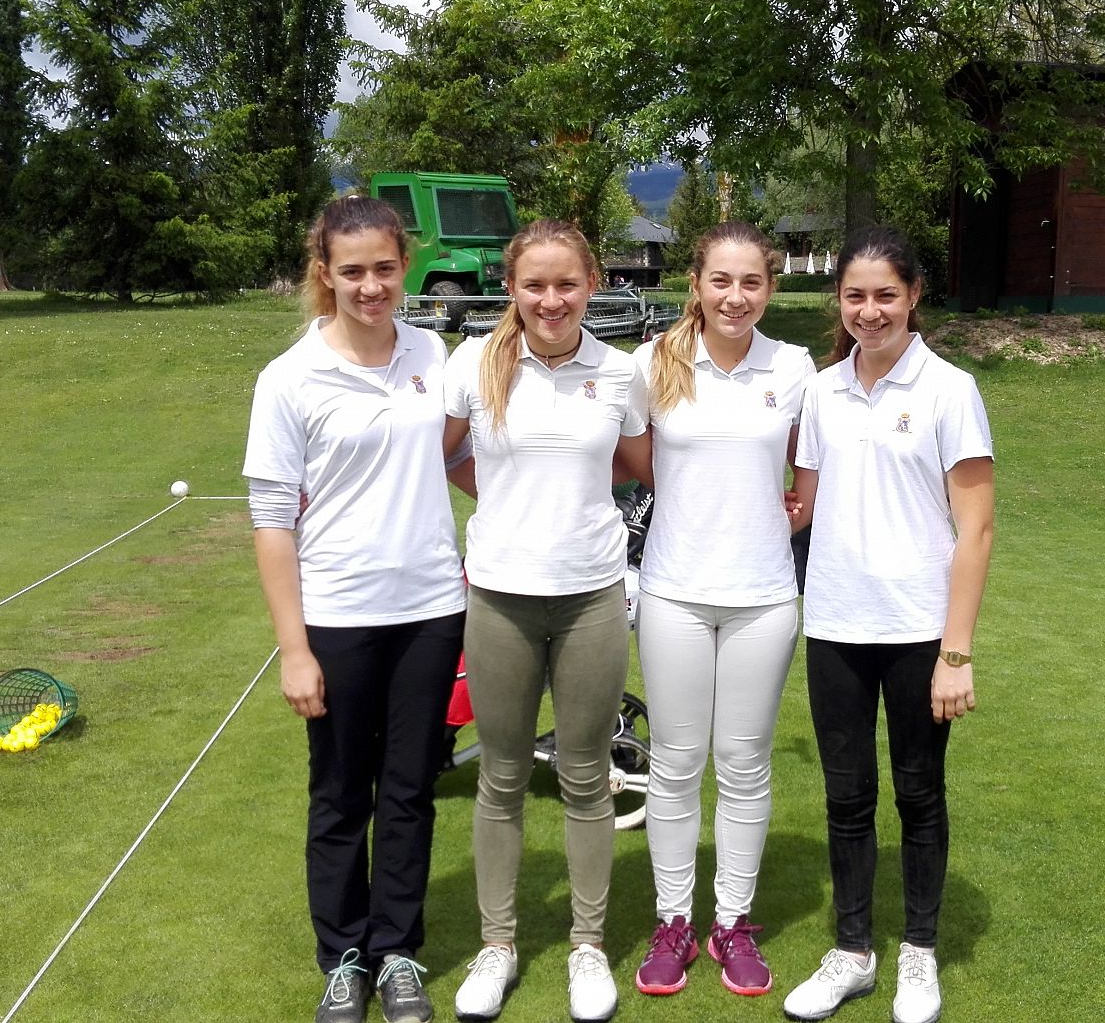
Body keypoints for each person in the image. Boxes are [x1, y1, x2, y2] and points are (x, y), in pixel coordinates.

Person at [243, 196, 468, 1023]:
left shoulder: (432, 350)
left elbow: (458, 459)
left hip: (432, 609)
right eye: (352, 271)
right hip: (336, 614)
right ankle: (343, 955)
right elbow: (272, 519)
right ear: (324, 274)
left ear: (402, 264)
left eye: (383, 268)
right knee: (341, 791)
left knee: (409, 788)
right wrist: (292, 647)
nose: (370, 286)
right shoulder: (289, 378)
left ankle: (398, 950)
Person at [780, 226, 995, 1023]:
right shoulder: (820, 389)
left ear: (914, 298)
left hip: (916, 630)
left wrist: (956, 651)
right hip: (834, 621)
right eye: (855, 295)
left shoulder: (949, 389)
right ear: (840, 300)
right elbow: (801, 504)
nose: (870, 311)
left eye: (885, 295)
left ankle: (919, 953)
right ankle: (852, 950)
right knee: (846, 794)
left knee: (917, 790)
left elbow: (974, 528)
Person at [441, 219, 651, 1023]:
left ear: (591, 284)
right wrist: (501, 505)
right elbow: (444, 452)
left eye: (567, 284)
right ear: (512, 287)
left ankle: (588, 946)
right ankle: (498, 946)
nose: (551, 299)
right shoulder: (476, 362)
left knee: (585, 774)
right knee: (499, 777)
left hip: (593, 594)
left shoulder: (621, 370)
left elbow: (642, 466)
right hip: (498, 593)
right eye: (535, 285)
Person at [627, 222, 814, 998]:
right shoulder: (653, 361)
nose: (735, 297)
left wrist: (769, 519)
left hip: (765, 598)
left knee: (743, 762)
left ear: (769, 287)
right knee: (675, 763)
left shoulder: (796, 366)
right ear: (696, 284)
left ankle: (731, 921)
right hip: (672, 591)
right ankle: (673, 921)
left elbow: (807, 478)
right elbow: (637, 458)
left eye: (751, 283)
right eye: (720, 281)